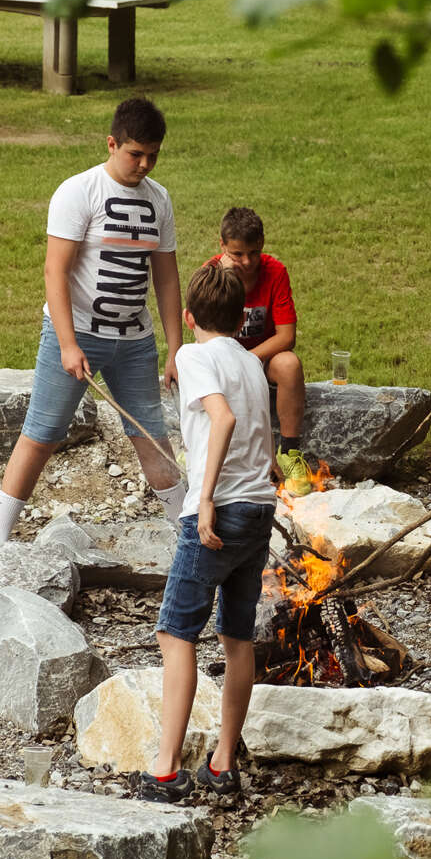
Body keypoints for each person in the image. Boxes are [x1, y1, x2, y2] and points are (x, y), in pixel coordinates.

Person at [0, 96, 186, 547]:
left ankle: (188, 533)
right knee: (41, 434)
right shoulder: (79, 191)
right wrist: (68, 343)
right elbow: (55, 270)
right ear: (112, 144)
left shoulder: (159, 201)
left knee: (152, 435)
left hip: (134, 340)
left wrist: (175, 348)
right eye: (135, 154)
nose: (145, 164)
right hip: (76, 333)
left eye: (153, 154)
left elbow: (167, 277)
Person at [140, 262, 277, 803]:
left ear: (189, 316)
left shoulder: (193, 355)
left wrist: (203, 501)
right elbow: (258, 428)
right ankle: (223, 763)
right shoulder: (247, 360)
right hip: (259, 509)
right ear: (243, 318)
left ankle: (166, 770)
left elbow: (222, 421)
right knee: (237, 637)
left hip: (218, 512)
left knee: (175, 634)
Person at [205, 207, 311, 496]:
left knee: (290, 364)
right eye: (238, 254)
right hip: (222, 358)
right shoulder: (211, 273)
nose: (248, 261)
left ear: (262, 242)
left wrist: (250, 359)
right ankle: (201, 447)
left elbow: (287, 336)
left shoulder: (275, 271)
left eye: (253, 252)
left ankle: (289, 452)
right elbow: (205, 334)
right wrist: (226, 279)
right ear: (223, 246)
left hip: (261, 357)